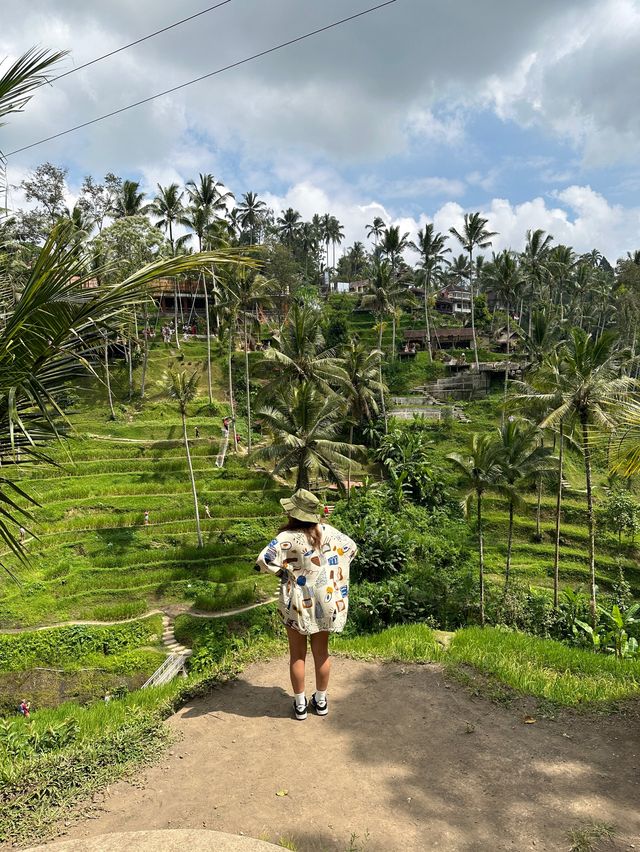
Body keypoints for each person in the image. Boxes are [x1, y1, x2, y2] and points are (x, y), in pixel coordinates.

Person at [255, 488, 357, 721]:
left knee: (297, 655)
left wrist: (285, 573)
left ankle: (300, 705)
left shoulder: (287, 538)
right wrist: (331, 572)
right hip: (327, 599)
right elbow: (351, 548)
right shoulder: (329, 532)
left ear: (293, 513)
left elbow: (264, 559)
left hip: (297, 603)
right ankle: (320, 701)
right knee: (322, 653)